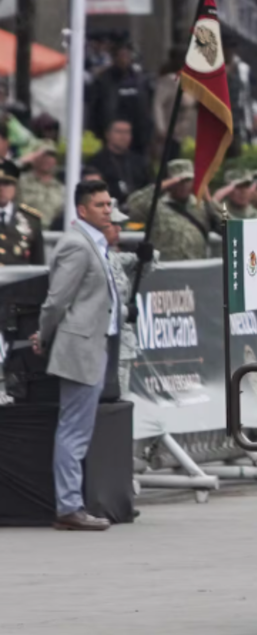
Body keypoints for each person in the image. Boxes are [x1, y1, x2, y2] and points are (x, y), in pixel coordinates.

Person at [33, 181, 151, 530]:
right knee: (74, 429)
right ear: (82, 210)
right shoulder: (76, 246)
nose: (106, 209)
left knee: (79, 427)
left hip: (97, 343)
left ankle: (74, 502)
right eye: (99, 204)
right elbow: (57, 300)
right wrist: (46, 335)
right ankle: (69, 506)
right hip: (80, 346)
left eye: (108, 203)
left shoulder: (96, 244)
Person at [105, 198, 157, 395]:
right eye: (114, 225)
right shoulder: (92, 256)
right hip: (104, 345)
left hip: (121, 344)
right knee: (109, 402)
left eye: (120, 225)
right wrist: (126, 311)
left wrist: (146, 255)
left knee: (119, 402)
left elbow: (141, 266)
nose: (119, 230)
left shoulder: (112, 256)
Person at [126, 160, 221, 261]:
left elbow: (229, 229)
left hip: (196, 268)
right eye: (179, 182)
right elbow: (132, 205)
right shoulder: (156, 207)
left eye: (188, 180)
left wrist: (209, 200)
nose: (184, 185)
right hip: (166, 269)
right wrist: (161, 185)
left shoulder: (202, 207)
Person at [88, 41, 154, 154]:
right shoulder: (103, 81)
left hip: (138, 134)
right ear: (114, 58)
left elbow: (148, 105)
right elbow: (95, 108)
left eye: (127, 56)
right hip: (112, 133)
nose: (124, 59)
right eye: (121, 56)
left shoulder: (140, 80)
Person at [88, 119, 151, 203]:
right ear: (107, 134)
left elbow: (149, 186)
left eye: (127, 132)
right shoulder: (97, 162)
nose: (123, 136)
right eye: (119, 132)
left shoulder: (139, 161)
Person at [16, 139, 65, 229]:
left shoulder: (61, 188)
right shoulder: (20, 182)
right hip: (24, 231)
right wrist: (22, 161)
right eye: (43, 155)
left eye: (51, 155)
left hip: (53, 235)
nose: (47, 159)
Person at [0, 169, 45, 265]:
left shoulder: (31, 219)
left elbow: (38, 262)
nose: (2, 188)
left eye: (7, 183)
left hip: (19, 278)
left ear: (15, 187)